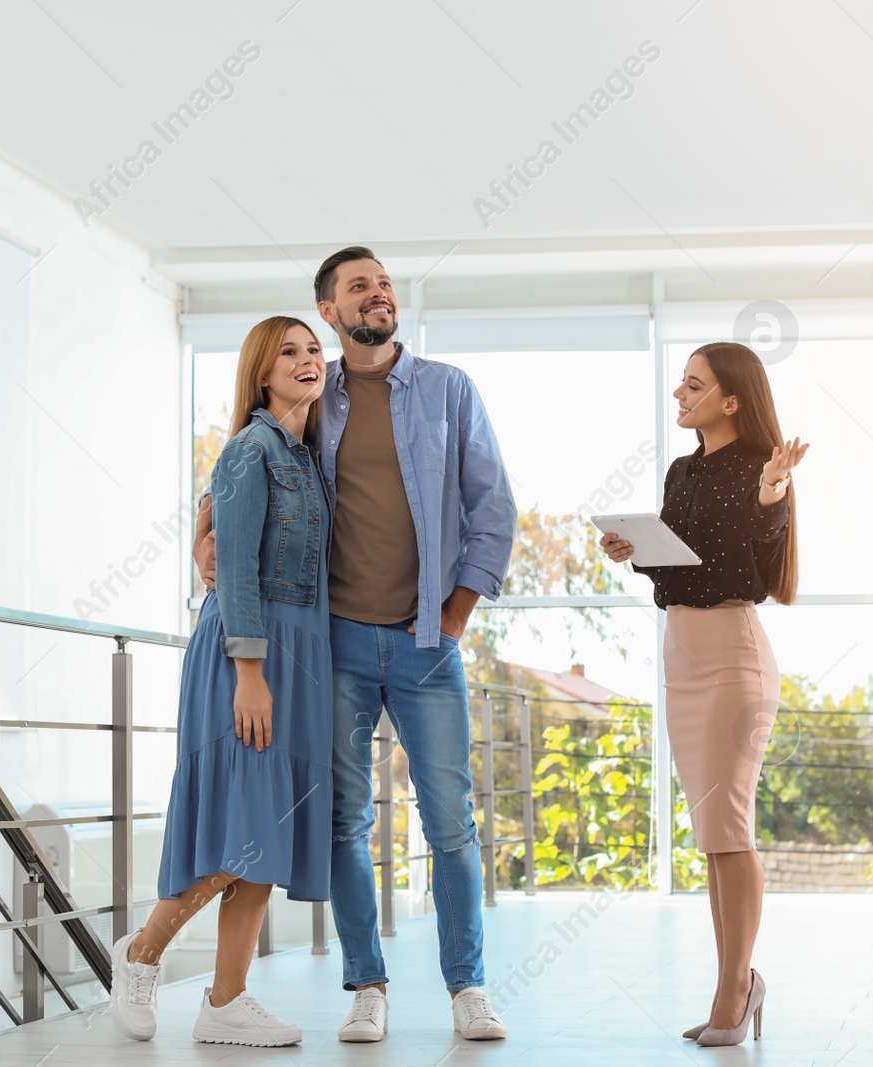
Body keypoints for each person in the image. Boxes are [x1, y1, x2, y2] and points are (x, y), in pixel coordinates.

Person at [193, 247, 517, 1042]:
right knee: (344, 821)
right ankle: (365, 983)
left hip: (424, 643)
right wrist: (202, 532)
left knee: (451, 821)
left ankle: (467, 985)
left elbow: (494, 508)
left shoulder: (447, 390)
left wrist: (455, 617)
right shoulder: (313, 388)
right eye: (357, 287)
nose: (378, 294)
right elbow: (240, 468)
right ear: (330, 313)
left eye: (383, 282)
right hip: (330, 643)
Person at [109, 316, 333, 1048]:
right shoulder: (251, 449)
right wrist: (250, 672)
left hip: (299, 652)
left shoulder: (307, 456)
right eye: (289, 354)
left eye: (312, 350)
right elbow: (232, 566)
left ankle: (227, 999)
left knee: (269, 836)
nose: (307, 361)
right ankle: (142, 952)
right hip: (249, 652)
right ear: (262, 375)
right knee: (245, 830)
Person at [600, 341, 808, 1047]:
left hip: (732, 655)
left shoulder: (760, 469)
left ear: (730, 399)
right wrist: (637, 551)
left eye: (694, 384)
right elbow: (684, 561)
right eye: (680, 383)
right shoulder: (680, 470)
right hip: (681, 650)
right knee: (713, 837)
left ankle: (735, 990)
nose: (680, 394)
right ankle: (736, 982)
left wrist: (775, 490)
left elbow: (758, 539)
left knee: (730, 828)